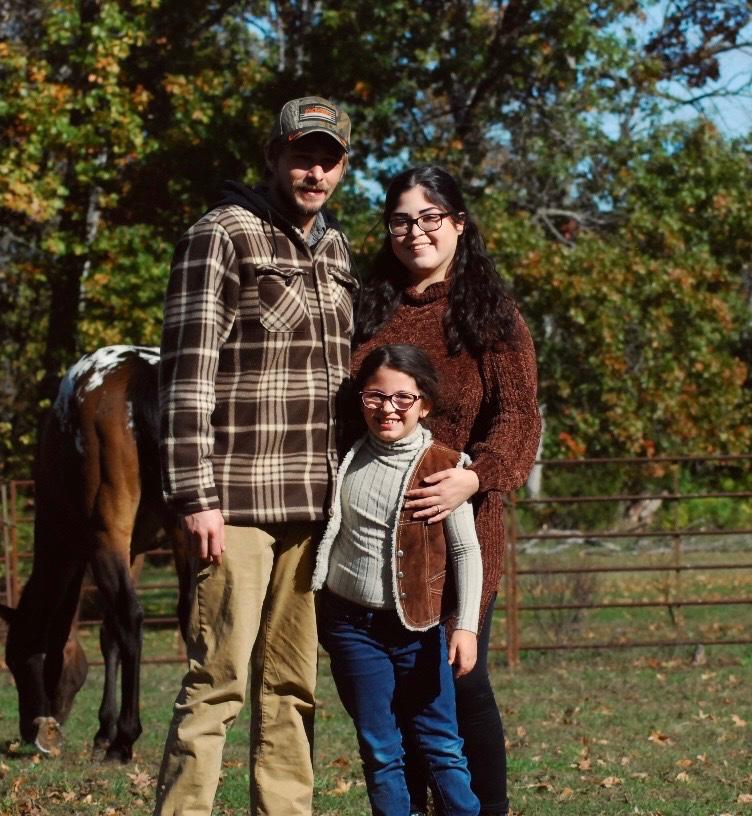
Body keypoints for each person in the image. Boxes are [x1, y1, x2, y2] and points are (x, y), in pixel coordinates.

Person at [154, 96, 358, 816]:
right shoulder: (221, 235)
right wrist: (194, 497)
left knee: (293, 688)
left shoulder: (335, 249)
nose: (314, 170)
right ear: (273, 156)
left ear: (342, 166)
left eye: (328, 157)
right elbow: (184, 374)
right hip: (235, 502)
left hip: (315, 507)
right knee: (218, 682)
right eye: (302, 154)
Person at [351, 165, 541, 816]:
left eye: (432, 217)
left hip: (462, 531)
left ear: (459, 224)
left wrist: (474, 477)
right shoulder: (366, 309)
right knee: (395, 696)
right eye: (402, 219)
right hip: (378, 537)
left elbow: (517, 416)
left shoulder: (489, 316)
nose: (417, 232)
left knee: (461, 680)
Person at [312, 343, 482, 816]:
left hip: (419, 632)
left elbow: (467, 551)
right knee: (380, 747)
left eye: (402, 399)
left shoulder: (445, 467)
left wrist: (465, 627)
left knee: (441, 743)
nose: (388, 408)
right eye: (375, 397)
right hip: (351, 629)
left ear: (423, 403)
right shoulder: (345, 457)